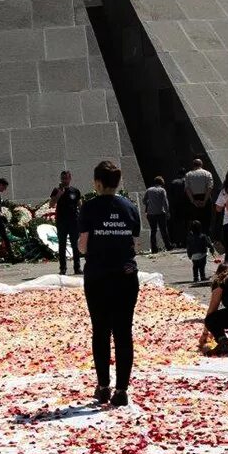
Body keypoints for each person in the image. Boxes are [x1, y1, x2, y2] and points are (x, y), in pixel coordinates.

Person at [78, 161, 141, 407]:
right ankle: (122, 390)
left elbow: (83, 243)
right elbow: (136, 245)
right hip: (126, 276)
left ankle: (103, 387)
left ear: (98, 183)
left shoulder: (89, 207)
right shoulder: (130, 207)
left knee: (101, 330)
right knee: (124, 332)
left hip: (98, 276)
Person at [51, 171, 83, 274]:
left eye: (66, 178)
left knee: (75, 245)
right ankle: (63, 268)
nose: (64, 180)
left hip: (74, 222)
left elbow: (80, 205)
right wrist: (59, 194)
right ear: (60, 179)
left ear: (70, 179)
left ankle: (77, 268)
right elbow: (51, 204)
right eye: (63, 178)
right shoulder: (56, 190)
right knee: (62, 245)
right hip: (61, 222)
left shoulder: (75, 191)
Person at [143, 176, 171, 254]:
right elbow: (165, 202)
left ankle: (154, 248)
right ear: (161, 182)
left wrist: (150, 203)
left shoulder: (149, 190)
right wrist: (167, 212)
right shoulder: (162, 190)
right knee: (164, 230)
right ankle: (168, 246)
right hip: (160, 213)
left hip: (151, 213)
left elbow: (144, 201)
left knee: (153, 231)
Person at [185, 159, 214, 231]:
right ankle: (207, 237)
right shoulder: (207, 173)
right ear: (201, 165)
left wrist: (193, 201)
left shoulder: (188, 174)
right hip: (205, 198)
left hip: (194, 198)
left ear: (193, 165)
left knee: (195, 222)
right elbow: (210, 188)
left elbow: (187, 189)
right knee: (206, 221)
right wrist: (204, 201)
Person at [168, 168, 188, 248]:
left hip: (176, 206)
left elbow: (170, 196)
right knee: (186, 224)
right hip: (186, 206)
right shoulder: (187, 182)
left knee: (177, 224)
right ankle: (185, 241)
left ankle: (178, 241)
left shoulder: (174, 182)